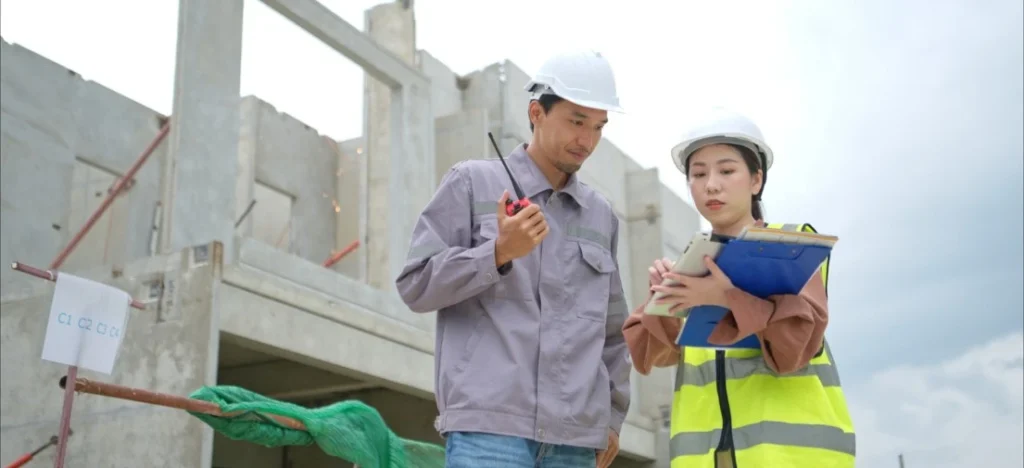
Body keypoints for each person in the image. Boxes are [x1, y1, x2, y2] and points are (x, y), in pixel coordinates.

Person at [395, 49, 631, 468]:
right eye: (577, 121)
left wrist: (611, 418)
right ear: (536, 112)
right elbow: (415, 284)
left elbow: (612, 332)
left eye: (598, 127)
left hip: (574, 440)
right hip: (489, 431)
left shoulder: (601, 217)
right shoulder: (473, 183)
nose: (587, 140)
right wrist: (498, 253)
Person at [622, 108, 856, 468]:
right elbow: (651, 354)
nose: (711, 184)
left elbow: (796, 346)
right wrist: (662, 302)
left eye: (727, 170)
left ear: (756, 180)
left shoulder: (793, 247)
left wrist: (723, 297)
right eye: (698, 174)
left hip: (792, 457)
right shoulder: (691, 266)